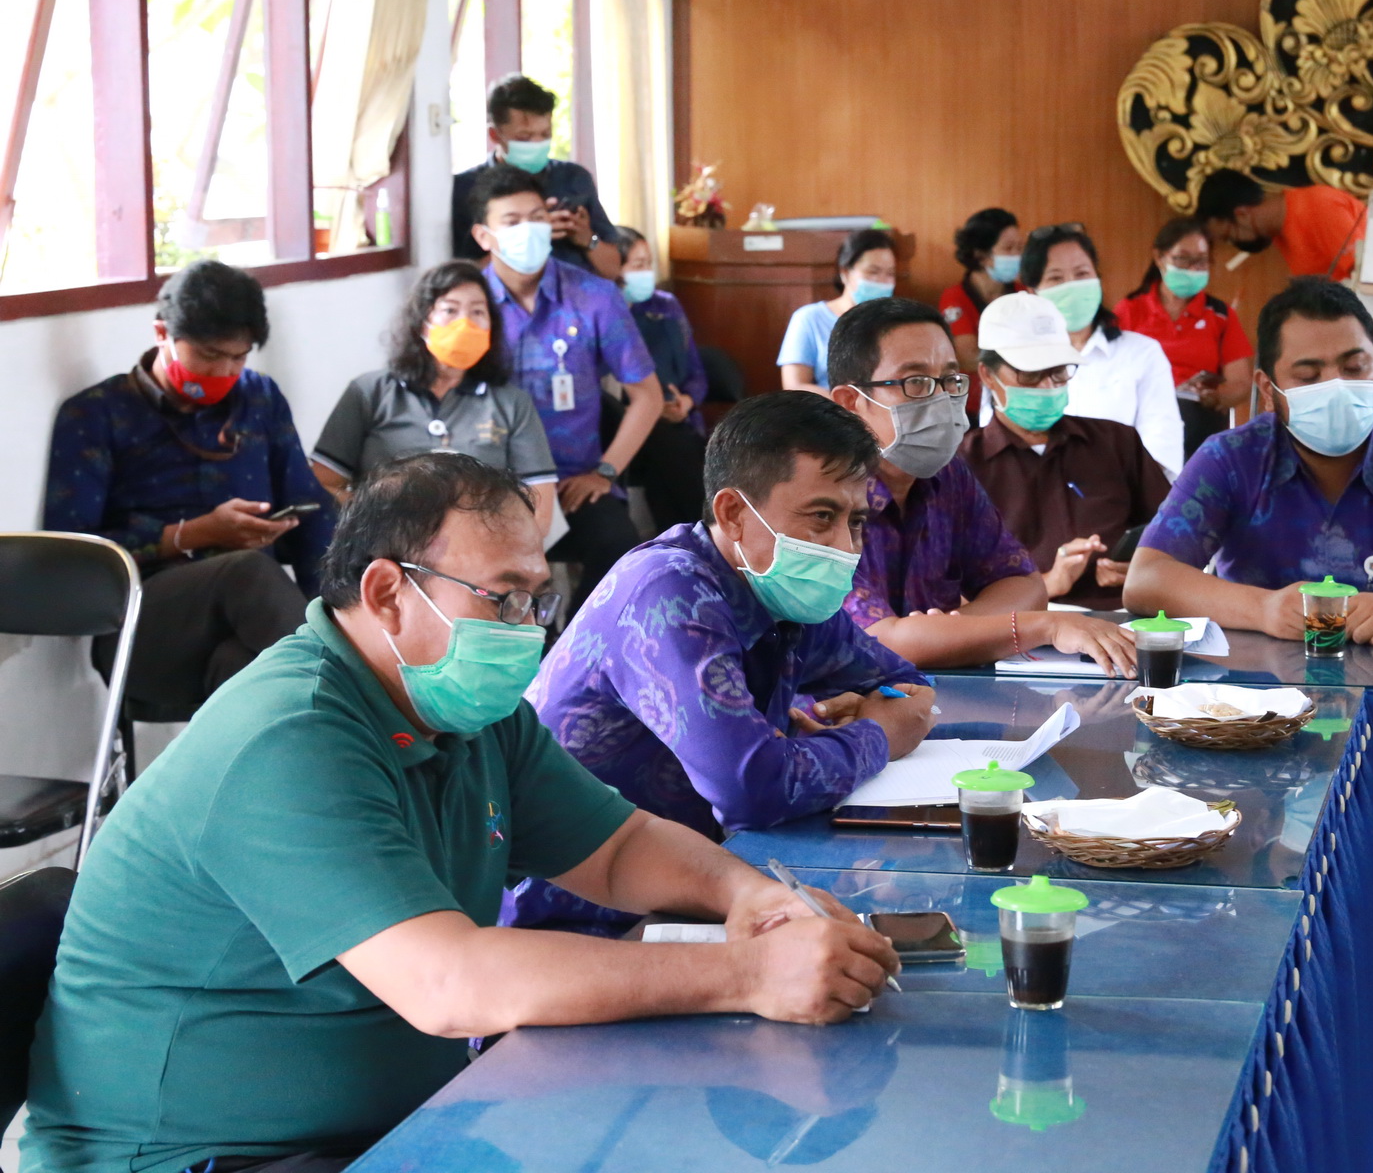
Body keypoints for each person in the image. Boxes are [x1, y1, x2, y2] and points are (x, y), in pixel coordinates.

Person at [22, 452, 899, 1173]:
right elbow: (449, 985)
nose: (527, 628)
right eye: (501, 598)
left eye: (535, 598)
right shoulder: (289, 737)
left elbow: (618, 846)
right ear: (387, 594)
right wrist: (747, 975)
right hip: (201, 1156)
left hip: (394, 1124)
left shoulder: (465, 711)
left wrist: (748, 898)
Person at [513, 392, 935, 935]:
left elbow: (903, 684)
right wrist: (877, 734)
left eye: (855, 521)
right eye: (821, 517)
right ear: (734, 514)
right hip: (580, 924)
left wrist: (817, 733)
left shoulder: (788, 595)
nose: (844, 547)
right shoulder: (668, 593)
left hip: (702, 889)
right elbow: (751, 790)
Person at [1124, 277, 1373, 643]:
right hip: (1258, 691)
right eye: (1308, 376)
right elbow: (1148, 578)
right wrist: (1262, 609)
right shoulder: (1230, 460)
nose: (1337, 387)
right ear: (1268, 389)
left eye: (1354, 367)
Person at [42, 260, 332, 720]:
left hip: (248, 629)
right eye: (210, 355)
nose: (225, 370)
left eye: (239, 357)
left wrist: (341, 611)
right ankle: (363, 707)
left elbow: (312, 511)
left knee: (248, 670)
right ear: (162, 333)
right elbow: (74, 555)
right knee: (245, 571)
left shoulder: (258, 399)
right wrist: (191, 534)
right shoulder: (97, 414)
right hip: (142, 633)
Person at [826, 297, 1137, 673]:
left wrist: (947, 633)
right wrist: (1046, 627)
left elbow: (1026, 586)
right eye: (916, 382)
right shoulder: (823, 497)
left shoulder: (946, 475)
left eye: (950, 380)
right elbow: (880, 642)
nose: (942, 398)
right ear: (851, 402)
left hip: (940, 692)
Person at [470, 162, 664, 609]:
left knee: (620, 549)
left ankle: (572, 645)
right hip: (491, 487)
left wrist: (606, 471)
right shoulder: (469, 303)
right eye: (512, 222)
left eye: (536, 217)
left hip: (572, 483)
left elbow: (647, 396)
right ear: (484, 236)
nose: (528, 230)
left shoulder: (594, 296)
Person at [312, 260, 559, 539]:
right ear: (423, 321)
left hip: (481, 548)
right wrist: (378, 526)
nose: (465, 323)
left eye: (478, 311)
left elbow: (539, 507)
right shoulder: (370, 392)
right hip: (383, 547)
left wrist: (496, 549)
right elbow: (324, 482)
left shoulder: (512, 403)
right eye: (450, 310)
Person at [960, 292, 1171, 610]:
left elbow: (1176, 533)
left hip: (1126, 616)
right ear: (988, 375)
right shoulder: (962, 466)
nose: (1048, 386)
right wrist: (1048, 583)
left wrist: (1145, 568)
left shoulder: (1116, 442)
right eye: (1030, 374)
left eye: (1058, 371)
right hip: (1022, 627)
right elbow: (950, 592)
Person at [1004, 222, 1183, 477]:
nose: (1072, 286)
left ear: (1098, 279)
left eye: (1081, 274)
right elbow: (1001, 453)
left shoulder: (1143, 354)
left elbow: (1162, 451)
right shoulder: (1012, 362)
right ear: (1032, 292)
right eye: (1056, 278)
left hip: (1125, 496)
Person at [452, 73, 620, 279]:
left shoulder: (574, 179)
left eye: (545, 134)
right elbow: (460, 278)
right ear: (495, 134)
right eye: (525, 137)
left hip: (576, 293)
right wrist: (528, 235)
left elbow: (613, 270)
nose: (537, 143)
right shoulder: (466, 188)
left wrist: (586, 238)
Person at [1114, 217, 1254, 456]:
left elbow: (1241, 383)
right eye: (1182, 259)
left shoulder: (1220, 315)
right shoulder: (1129, 310)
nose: (1192, 268)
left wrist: (1217, 396)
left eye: (1201, 261)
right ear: (1160, 257)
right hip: (1140, 420)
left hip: (1199, 423)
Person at [609, 225, 710, 530]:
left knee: (669, 442)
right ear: (614, 268)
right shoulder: (603, 313)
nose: (647, 273)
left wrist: (686, 402)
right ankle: (701, 530)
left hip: (676, 420)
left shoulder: (665, 307)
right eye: (637, 265)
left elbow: (696, 373)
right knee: (663, 439)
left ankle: (684, 536)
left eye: (649, 264)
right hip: (621, 424)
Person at [778, 228, 899, 392]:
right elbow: (794, 385)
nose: (882, 281)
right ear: (845, 273)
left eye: (890, 273)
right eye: (873, 272)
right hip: (829, 406)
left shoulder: (897, 321)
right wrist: (845, 403)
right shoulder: (809, 318)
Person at [1194, 169, 1367, 281]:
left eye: (1229, 237)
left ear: (1242, 215)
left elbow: (1365, 277)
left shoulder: (1319, 207)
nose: (1234, 244)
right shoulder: (1282, 232)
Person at [941, 207, 1022, 367]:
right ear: (981, 254)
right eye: (1008, 248)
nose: (1017, 256)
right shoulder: (954, 298)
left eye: (1020, 248)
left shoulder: (1024, 292)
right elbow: (968, 358)